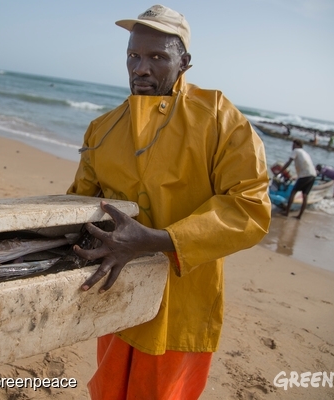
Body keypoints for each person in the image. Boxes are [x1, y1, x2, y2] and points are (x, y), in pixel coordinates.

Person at [66, 5, 271, 399]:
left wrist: (157, 240)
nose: (141, 68)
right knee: (108, 390)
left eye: (158, 57)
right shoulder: (103, 128)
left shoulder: (219, 119)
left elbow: (250, 208)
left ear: (185, 62)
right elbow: (80, 204)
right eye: (134, 56)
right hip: (117, 289)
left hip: (184, 299)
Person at [277, 139, 316, 219]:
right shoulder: (305, 153)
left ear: (297, 145)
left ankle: (287, 212)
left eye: (293, 145)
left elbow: (289, 162)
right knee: (305, 195)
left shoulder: (296, 150)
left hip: (305, 175)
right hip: (312, 175)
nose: (292, 147)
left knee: (293, 192)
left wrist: (280, 171)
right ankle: (299, 216)